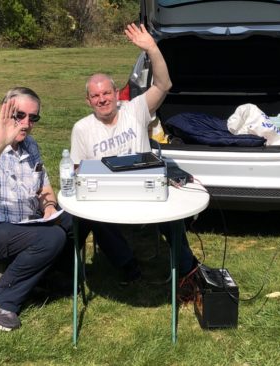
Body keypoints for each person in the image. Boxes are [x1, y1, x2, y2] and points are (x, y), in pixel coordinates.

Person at [70, 23, 199, 291]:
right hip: (106, 195)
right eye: (95, 96)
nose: (102, 99)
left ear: (117, 94)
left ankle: (190, 269)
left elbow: (164, 84)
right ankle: (129, 267)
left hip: (144, 188)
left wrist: (152, 48)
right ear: (88, 101)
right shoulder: (82, 128)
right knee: (92, 218)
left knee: (172, 213)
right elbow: (77, 169)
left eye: (106, 93)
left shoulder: (136, 109)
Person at [0, 87, 74, 331]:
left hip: (23, 223)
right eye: (19, 115)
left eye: (33, 118)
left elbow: (44, 186)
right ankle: (1, 299)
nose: (26, 123)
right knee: (51, 238)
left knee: (74, 219)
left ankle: (53, 278)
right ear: (4, 112)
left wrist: (50, 207)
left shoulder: (29, 145)